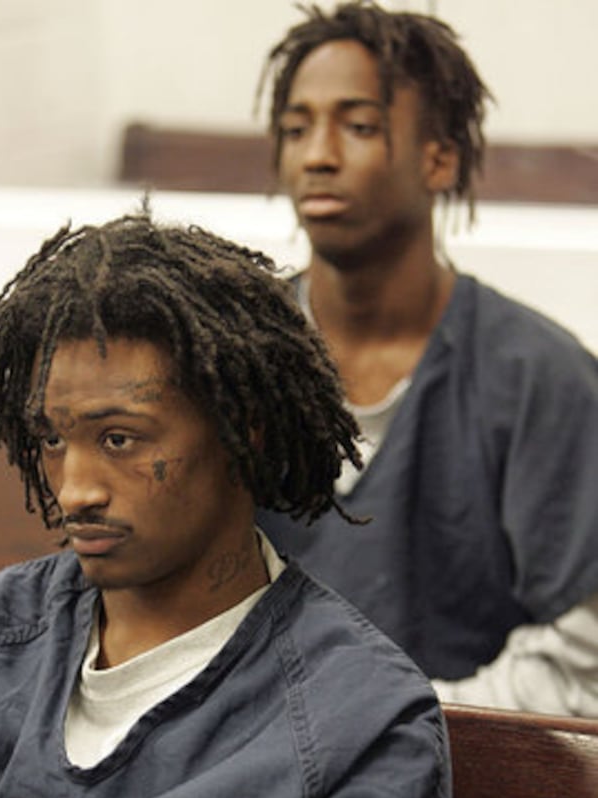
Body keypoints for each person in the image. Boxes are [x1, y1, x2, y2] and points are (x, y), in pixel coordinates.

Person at [0, 210, 450, 798]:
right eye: (53, 440)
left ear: (243, 432)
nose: (75, 489)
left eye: (120, 439)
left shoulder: (361, 726)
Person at [256, 1, 598, 715]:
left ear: (439, 158)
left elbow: (584, 660)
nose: (317, 155)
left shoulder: (539, 377)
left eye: (358, 126)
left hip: (469, 760)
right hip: (242, 751)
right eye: (295, 128)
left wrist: (394, 726)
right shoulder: (232, 356)